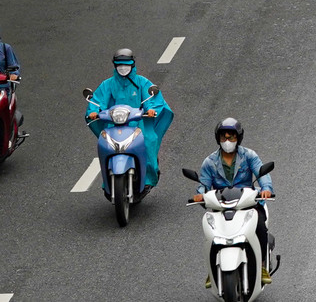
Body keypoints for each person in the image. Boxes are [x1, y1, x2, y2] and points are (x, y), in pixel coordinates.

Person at [194, 119, 275, 287]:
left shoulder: (249, 156)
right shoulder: (209, 162)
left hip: (247, 203)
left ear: (238, 138)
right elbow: (203, 184)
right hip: (220, 206)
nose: (227, 141)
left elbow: (262, 173)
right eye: (224, 138)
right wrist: (200, 195)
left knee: (260, 227)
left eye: (231, 138)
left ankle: (261, 266)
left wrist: (266, 188)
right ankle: (212, 270)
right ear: (218, 139)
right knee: (211, 234)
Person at [86, 49, 173, 191]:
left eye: (126, 64)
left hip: (138, 123)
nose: (123, 67)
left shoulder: (142, 82)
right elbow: (98, 100)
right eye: (119, 64)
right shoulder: (108, 84)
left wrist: (151, 110)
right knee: (104, 145)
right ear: (114, 65)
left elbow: (149, 99)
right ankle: (107, 182)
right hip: (113, 124)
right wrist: (94, 112)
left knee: (149, 141)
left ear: (133, 64)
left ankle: (149, 178)